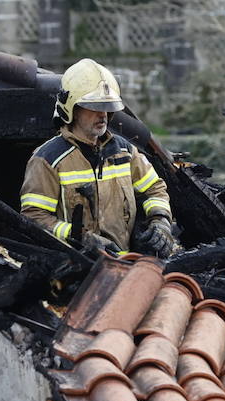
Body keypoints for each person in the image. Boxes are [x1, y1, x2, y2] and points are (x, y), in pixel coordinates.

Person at [20, 58, 177, 258]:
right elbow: (34, 218)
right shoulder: (47, 159)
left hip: (125, 264)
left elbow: (155, 189)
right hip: (77, 266)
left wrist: (160, 220)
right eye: (95, 106)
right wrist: (81, 238)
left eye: (107, 106)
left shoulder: (125, 152)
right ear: (73, 109)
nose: (103, 115)